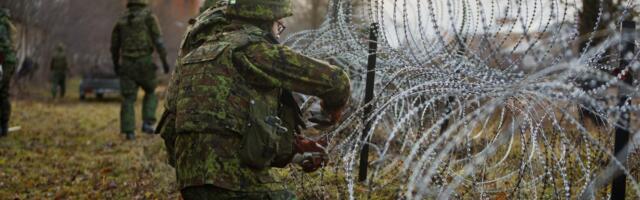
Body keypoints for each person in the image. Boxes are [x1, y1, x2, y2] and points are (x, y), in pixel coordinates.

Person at [158, 0, 352, 199]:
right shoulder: (252, 50)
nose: (279, 34)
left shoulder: (196, 54)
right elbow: (336, 82)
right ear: (265, 21)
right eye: (279, 26)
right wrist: (333, 110)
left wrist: (293, 150)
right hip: (231, 179)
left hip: (190, 181)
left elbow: (228, 124)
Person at [110, 0, 170, 140]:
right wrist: (164, 62)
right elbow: (158, 41)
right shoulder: (149, 17)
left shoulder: (121, 20)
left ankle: (129, 132)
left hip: (127, 64)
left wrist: (116, 65)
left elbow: (114, 47)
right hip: (145, 62)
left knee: (128, 98)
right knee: (150, 91)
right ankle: (148, 123)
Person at [0, 8, 16, 137]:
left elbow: (4, 46)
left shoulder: (3, 26)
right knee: (3, 93)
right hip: (8, 62)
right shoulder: (9, 26)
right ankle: (4, 126)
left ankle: (3, 126)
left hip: (5, 61)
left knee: (2, 93)